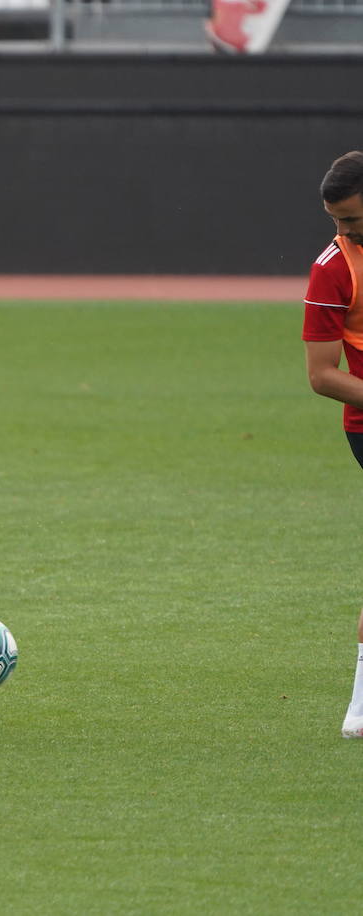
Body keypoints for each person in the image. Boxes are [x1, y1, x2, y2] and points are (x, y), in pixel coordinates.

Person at [300, 149, 363, 739]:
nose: (342, 231)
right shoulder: (332, 268)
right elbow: (322, 376)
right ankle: (361, 702)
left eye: (351, 219)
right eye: (336, 221)